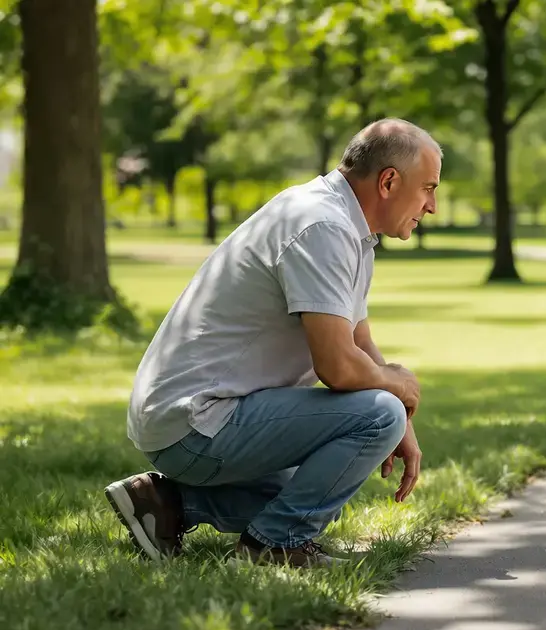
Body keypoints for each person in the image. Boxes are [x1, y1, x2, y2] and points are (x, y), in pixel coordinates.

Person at [105, 118, 441, 568]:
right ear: (388, 181)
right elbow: (339, 367)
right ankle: (272, 546)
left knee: (324, 486)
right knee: (377, 417)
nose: (433, 205)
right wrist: (396, 393)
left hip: (195, 416)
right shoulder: (323, 226)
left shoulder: (345, 227)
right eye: (429, 188)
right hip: (198, 420)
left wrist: (403, 426)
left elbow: (358, 340)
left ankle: (166, 503)